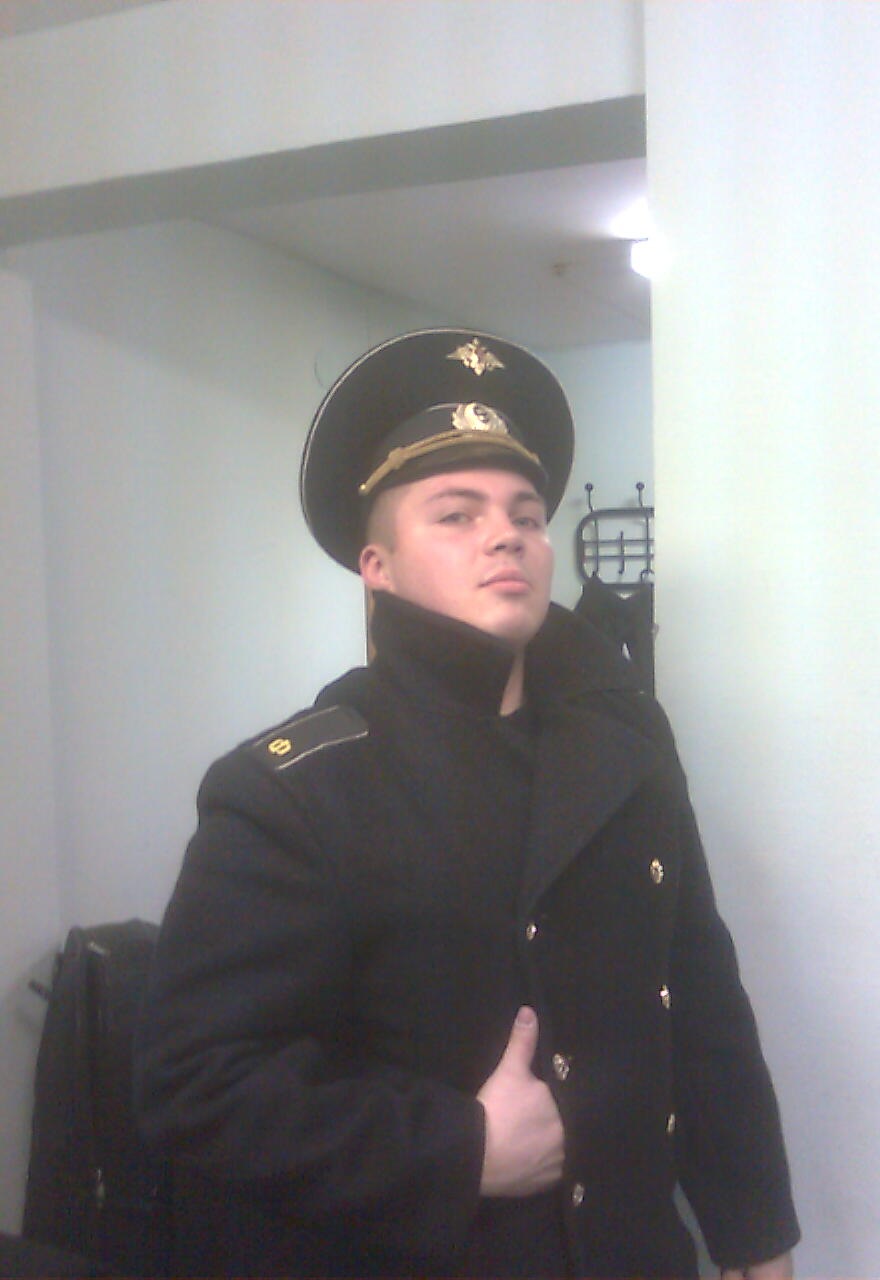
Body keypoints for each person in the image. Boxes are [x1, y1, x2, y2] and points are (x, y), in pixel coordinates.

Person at [134, 329, 800, 1279]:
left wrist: (754, 1228)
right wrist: (457, 1148)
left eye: (526, 514)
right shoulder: (297, 790)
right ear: (377, 566)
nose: (506, 534)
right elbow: (195, 1083)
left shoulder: (628, 739)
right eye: (456, 514)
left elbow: (699, 996)